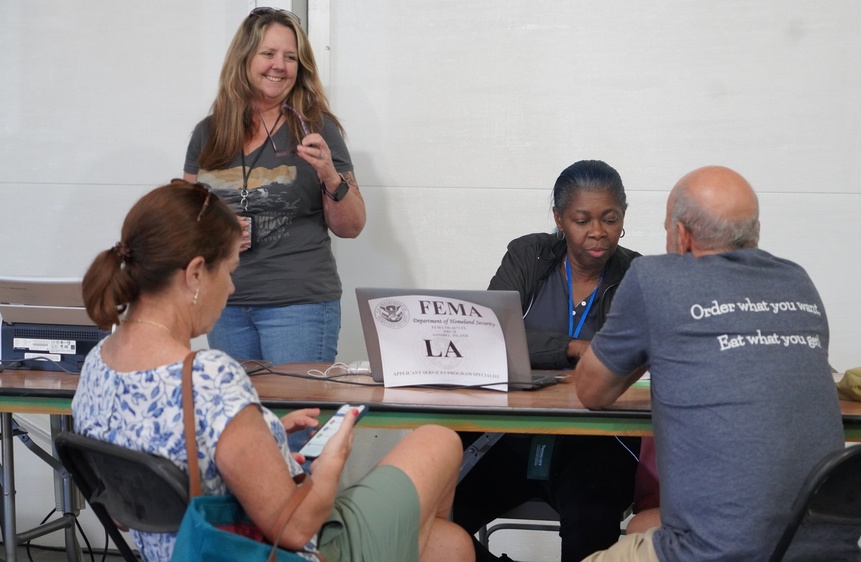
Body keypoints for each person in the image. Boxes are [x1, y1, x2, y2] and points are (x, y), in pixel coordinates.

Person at [73, 180, 471, 562]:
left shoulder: (96, 366)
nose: (231, 288)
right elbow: (296, 528)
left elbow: (128, 513)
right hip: (282, 553)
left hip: (188, 551)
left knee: (448, 543)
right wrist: (332, 459)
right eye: (229, 271)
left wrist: (268, 432)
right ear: (195, 273)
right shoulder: (208, 378)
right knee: (440, 440)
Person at [574, 166, 861, 561]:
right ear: (755, 231)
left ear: (681, 235)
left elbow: (591, 392)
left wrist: (650, 339)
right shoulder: (797, 280)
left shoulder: (655, 278)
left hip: (709, 553)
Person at [452, 160, 641, 562]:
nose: (597, 232)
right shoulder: (529, 255)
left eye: (610, 219)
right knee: (437, 506)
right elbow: (490, 334)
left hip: (597, 439)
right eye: (582, 219)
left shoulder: (637, 274)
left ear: (623, 216)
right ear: (559, 218)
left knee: (592, 520)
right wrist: (575, 348)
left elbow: (633, 354)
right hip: (510, 434)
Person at [183, 7, 365, 365]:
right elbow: (185, 219)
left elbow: (352, 226)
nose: (279, 65)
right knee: (239, 418)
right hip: (224, 304)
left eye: (290, 57)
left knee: (296, 418)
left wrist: (330, 175)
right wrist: (217, 230)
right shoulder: (209, 133)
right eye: (268, 54)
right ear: (245, 58)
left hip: (298, 305)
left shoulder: (317, 128)